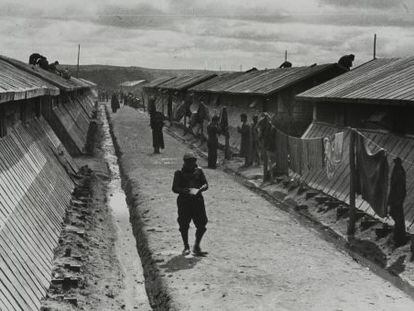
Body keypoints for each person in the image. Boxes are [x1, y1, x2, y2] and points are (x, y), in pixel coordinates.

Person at [172, 152, 209, 256]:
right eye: (189, 162)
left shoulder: (199, 171)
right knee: (184, 224)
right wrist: (184, 190)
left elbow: (205, 184)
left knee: (202, 224)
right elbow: (175, 188)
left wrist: (201, 189)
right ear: (185, 162)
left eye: (193, 162)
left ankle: (197, 246)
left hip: (197, 201)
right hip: (184, 201)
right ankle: (186, 246)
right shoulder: (179, 173)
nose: (191, 164)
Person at [388, 157, 408, 246]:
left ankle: (399, 238)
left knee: (397, 217)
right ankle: (398, 237)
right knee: (397, 216)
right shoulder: (399, 170)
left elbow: (398, 188)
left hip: (397, 198)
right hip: (397, 198)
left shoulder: (398, 172)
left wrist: (397, 200)